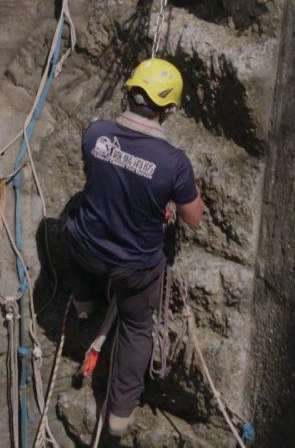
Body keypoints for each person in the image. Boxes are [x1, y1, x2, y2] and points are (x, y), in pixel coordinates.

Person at [64, 57, 204, 436]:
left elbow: (102, 180)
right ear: (169, 109)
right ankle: (119, 415)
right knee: (137, 326)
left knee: (71, 222)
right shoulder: (173, 163)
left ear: (130, 92)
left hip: (87, 251)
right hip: (134, 269)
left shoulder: (96, 134)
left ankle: (83, 303)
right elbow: (193, 216)